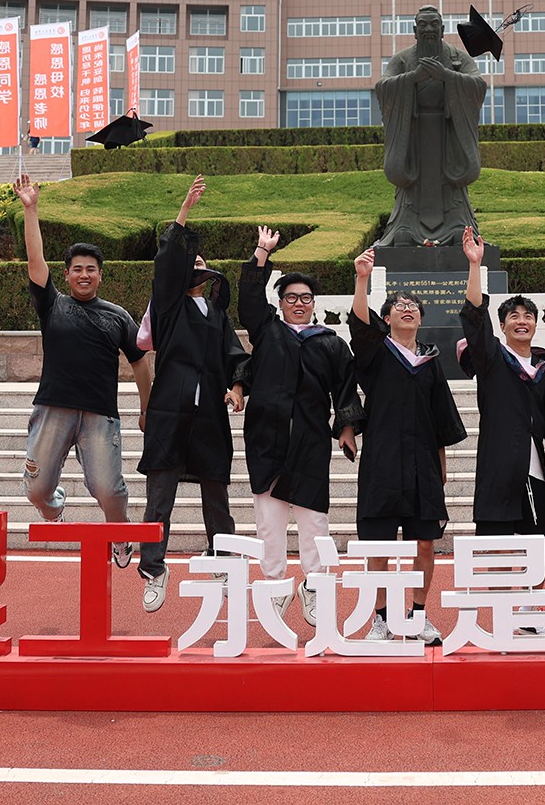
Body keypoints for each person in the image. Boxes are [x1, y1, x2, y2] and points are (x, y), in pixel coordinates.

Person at [14, 174, 150, 568]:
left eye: (91, 269)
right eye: (77, 269)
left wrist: (147, 407)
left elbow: (140, 363)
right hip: (53, 408)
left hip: (99, 415)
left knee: (109, 489)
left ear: (100, 274)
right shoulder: (52, 304)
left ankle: (120, 537)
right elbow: (35, 260)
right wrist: (31, 209)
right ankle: (54, 508)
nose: (84, 274)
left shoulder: (117, 316)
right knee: (37, 489)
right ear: (67, 274)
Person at [238, 226, 362, 625]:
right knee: (268, 522)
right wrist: (262, 252)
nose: (298, 304)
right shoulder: (267, 330)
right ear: (280, 302)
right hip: (266, 439)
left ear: (314, 304)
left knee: (314, 522)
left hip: (309, 441)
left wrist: (346, 428)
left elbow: (345, 387)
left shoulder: (330, 343)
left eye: (305, 298)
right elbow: (248, 299)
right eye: (290, 298)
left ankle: (314, 586)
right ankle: (275, 586)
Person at [135, 175, 248, 612]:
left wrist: (236, 388)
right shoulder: (168, 306)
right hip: (169, 410)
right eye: (189, 261)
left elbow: (236, 356)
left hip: (209, 417)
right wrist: (183, 212)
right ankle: (153, 569)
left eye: (201, 261)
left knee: (216, 491)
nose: (194, 265)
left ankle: (222, 558)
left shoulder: (217, 314)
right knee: (159, 496)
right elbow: (166, 262)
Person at [345, 245, 468, 644]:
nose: (407, 309)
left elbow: (442, 419)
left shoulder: (430, 362)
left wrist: (440, 465)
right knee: (379, 544)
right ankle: (381, 618)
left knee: (425, 543)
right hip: (382, 461)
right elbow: (359, 325)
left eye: (413, 306)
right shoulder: (376, 353)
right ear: (386, 319)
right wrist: (362, 279)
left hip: (422, 465)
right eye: (399, 305)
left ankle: (418, 614)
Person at [457, 225, 545, 539]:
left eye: (528, 316)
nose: (522, 321)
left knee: (535, 550)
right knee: (495, 553)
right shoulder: (492, 360)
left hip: (534, 470)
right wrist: (475, 264)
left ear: (535, 325)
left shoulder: (543, 369)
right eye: (514, 316)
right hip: (498, 470)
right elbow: (475, 317)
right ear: (502, 326)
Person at [373, 6, 488, 246]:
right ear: (414, 30)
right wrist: (413, 77)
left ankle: (458, 226)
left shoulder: (458, 58)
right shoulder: (402, 59)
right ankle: (405, 226)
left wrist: (446, 75)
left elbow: (477, 85)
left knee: (452, 192)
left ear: (442, 29)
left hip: (449, 137)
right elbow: (383, 88)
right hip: (413, 138)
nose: (428, 29)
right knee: (410, 200)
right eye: (423, 25)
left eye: (434, 24)